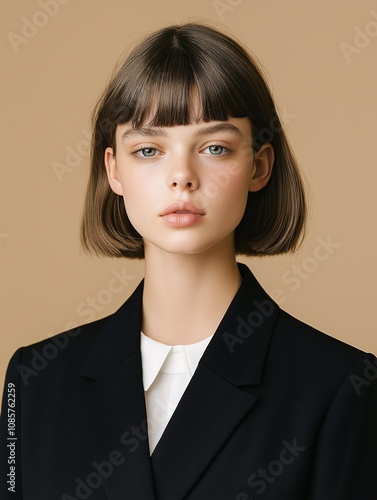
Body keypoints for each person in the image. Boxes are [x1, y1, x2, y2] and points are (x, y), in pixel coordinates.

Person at [1, 22, 376, 500]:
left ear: (258, 167)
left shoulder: (338, 387)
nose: (181, 176)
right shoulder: (35, 382)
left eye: (214, 147)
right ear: (113, 169)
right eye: (149, 150)